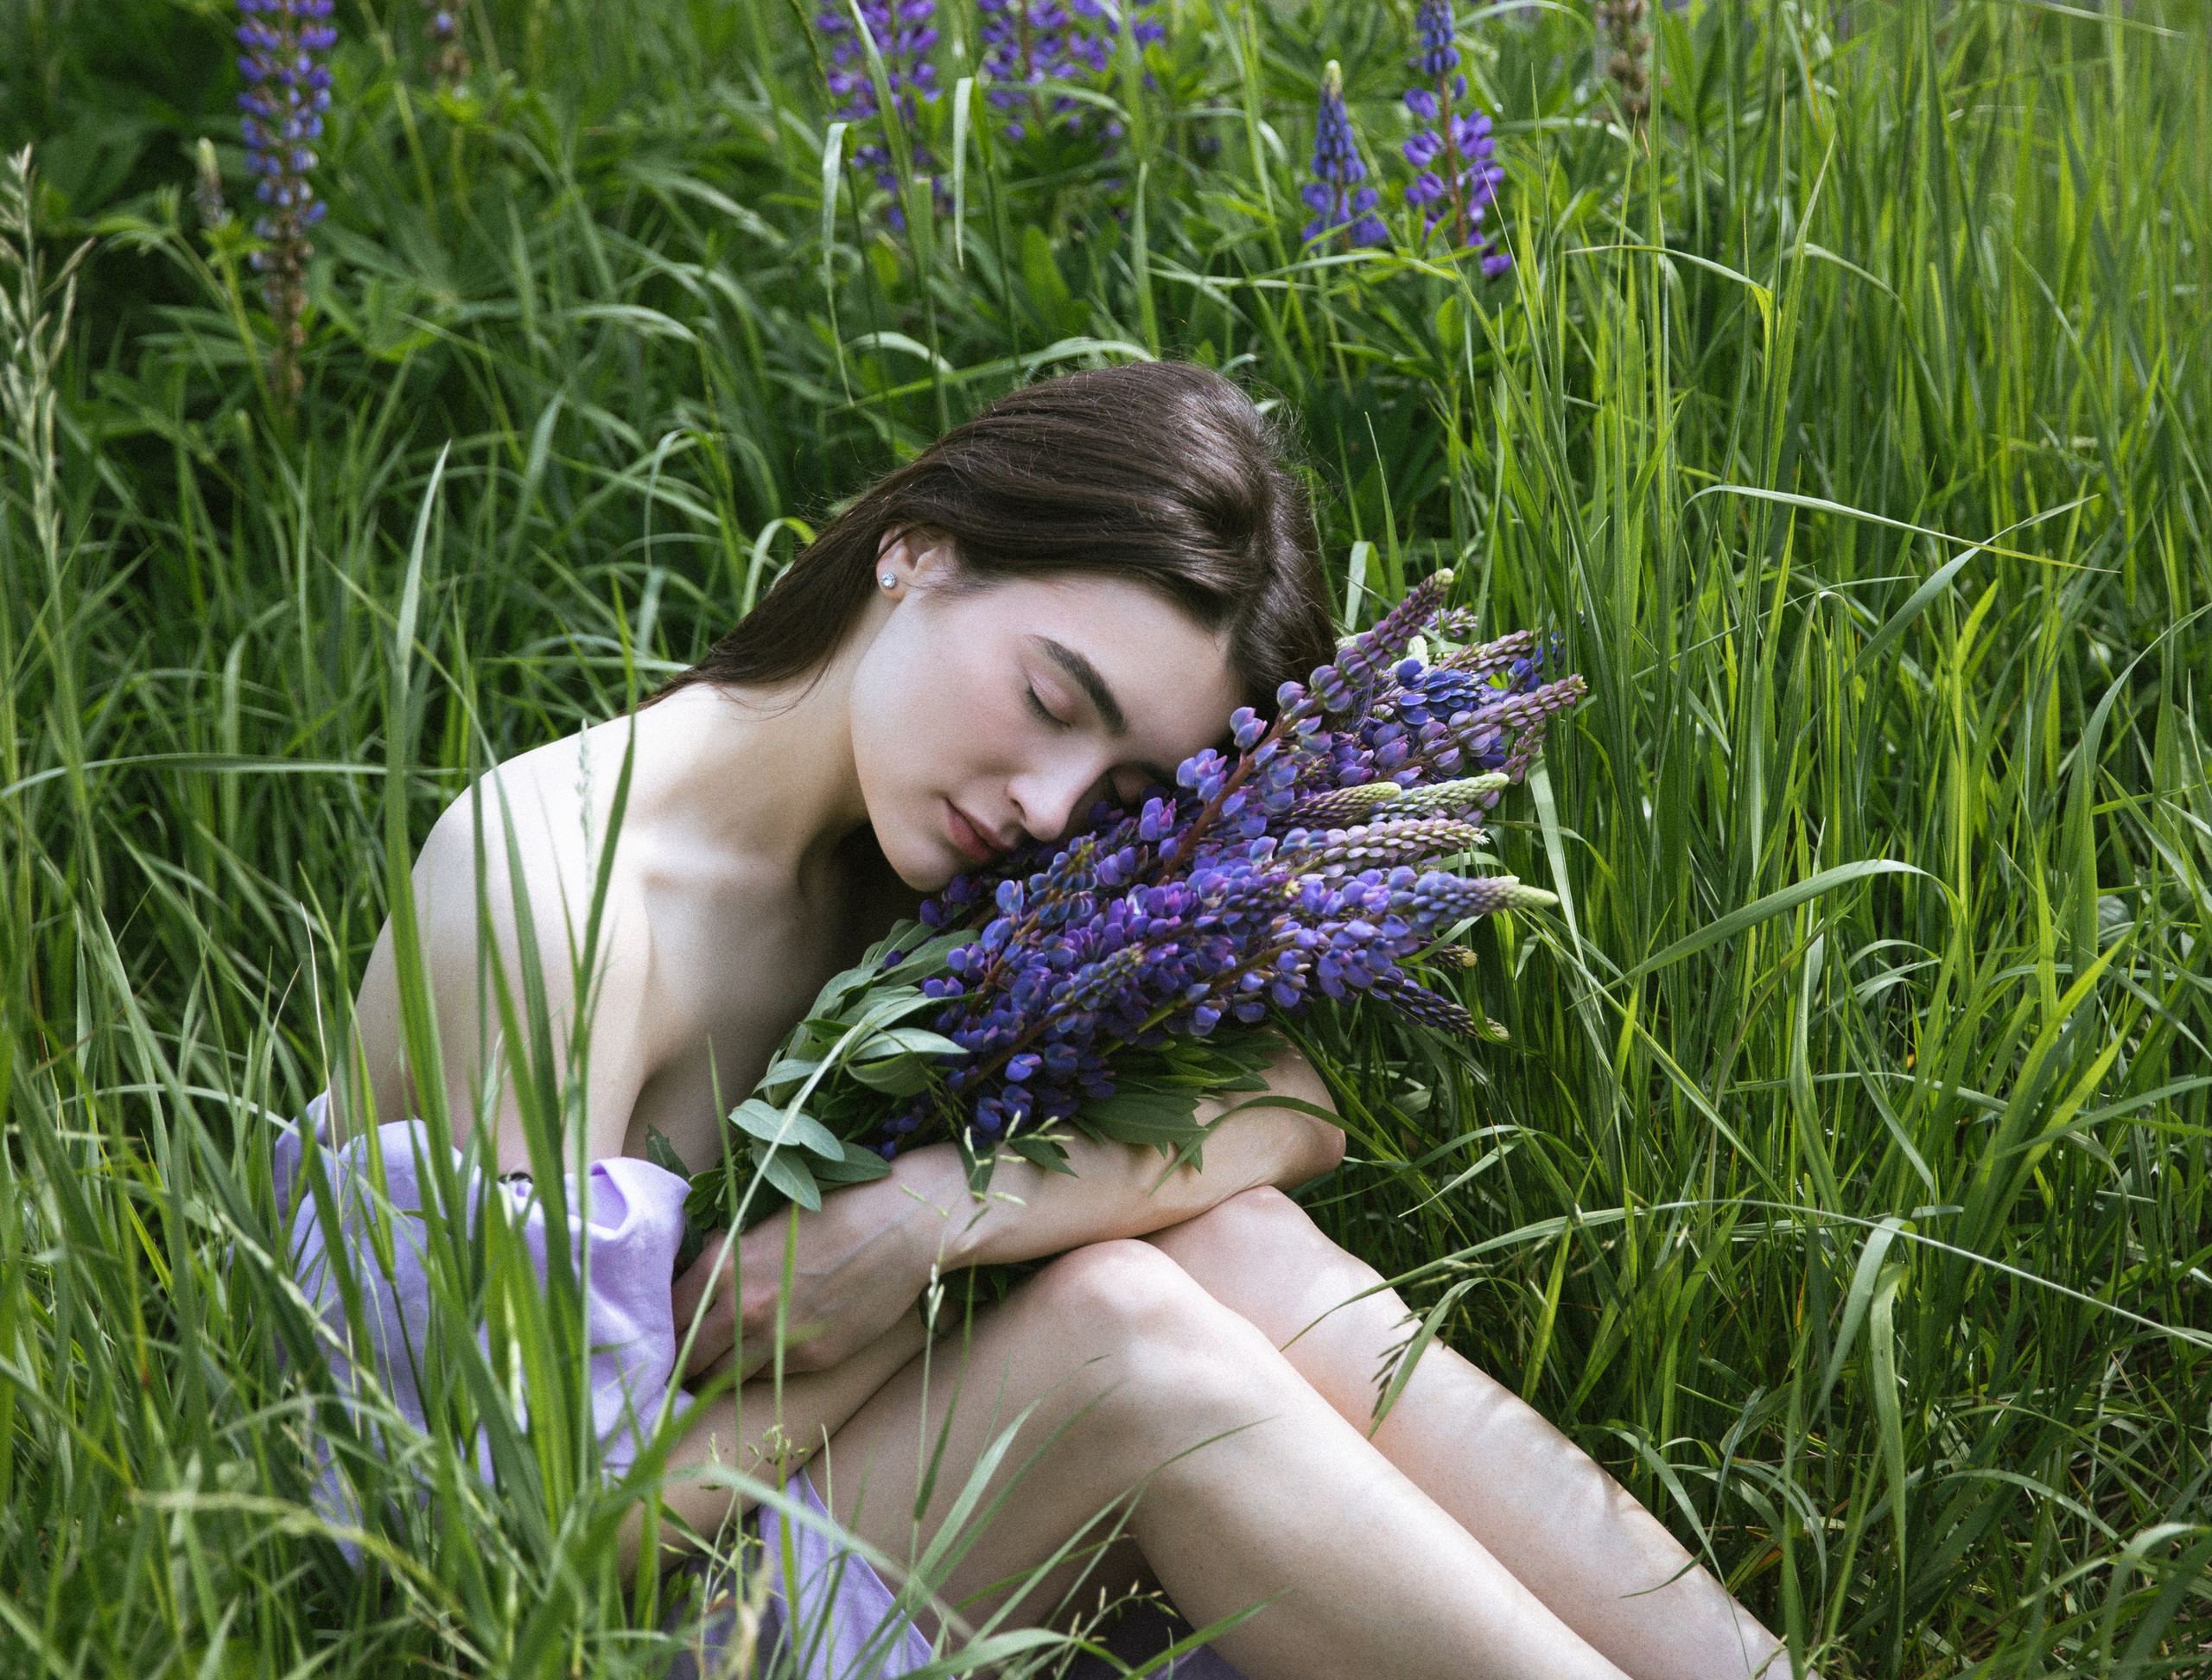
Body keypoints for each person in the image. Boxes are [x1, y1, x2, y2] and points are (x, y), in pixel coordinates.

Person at [308, 362, 1792, 1680]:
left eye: (1125, 794)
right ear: (918, 547)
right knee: (1119, 1336)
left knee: (1235, 1247)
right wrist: (907, 1325)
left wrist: (931, 1223)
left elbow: (1281, 1109)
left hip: (786, 1530)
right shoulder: (556, 901)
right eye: (1048, 694)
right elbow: (537, 1554)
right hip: (587, 1617)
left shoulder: (935, 876)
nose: (1046, 807)